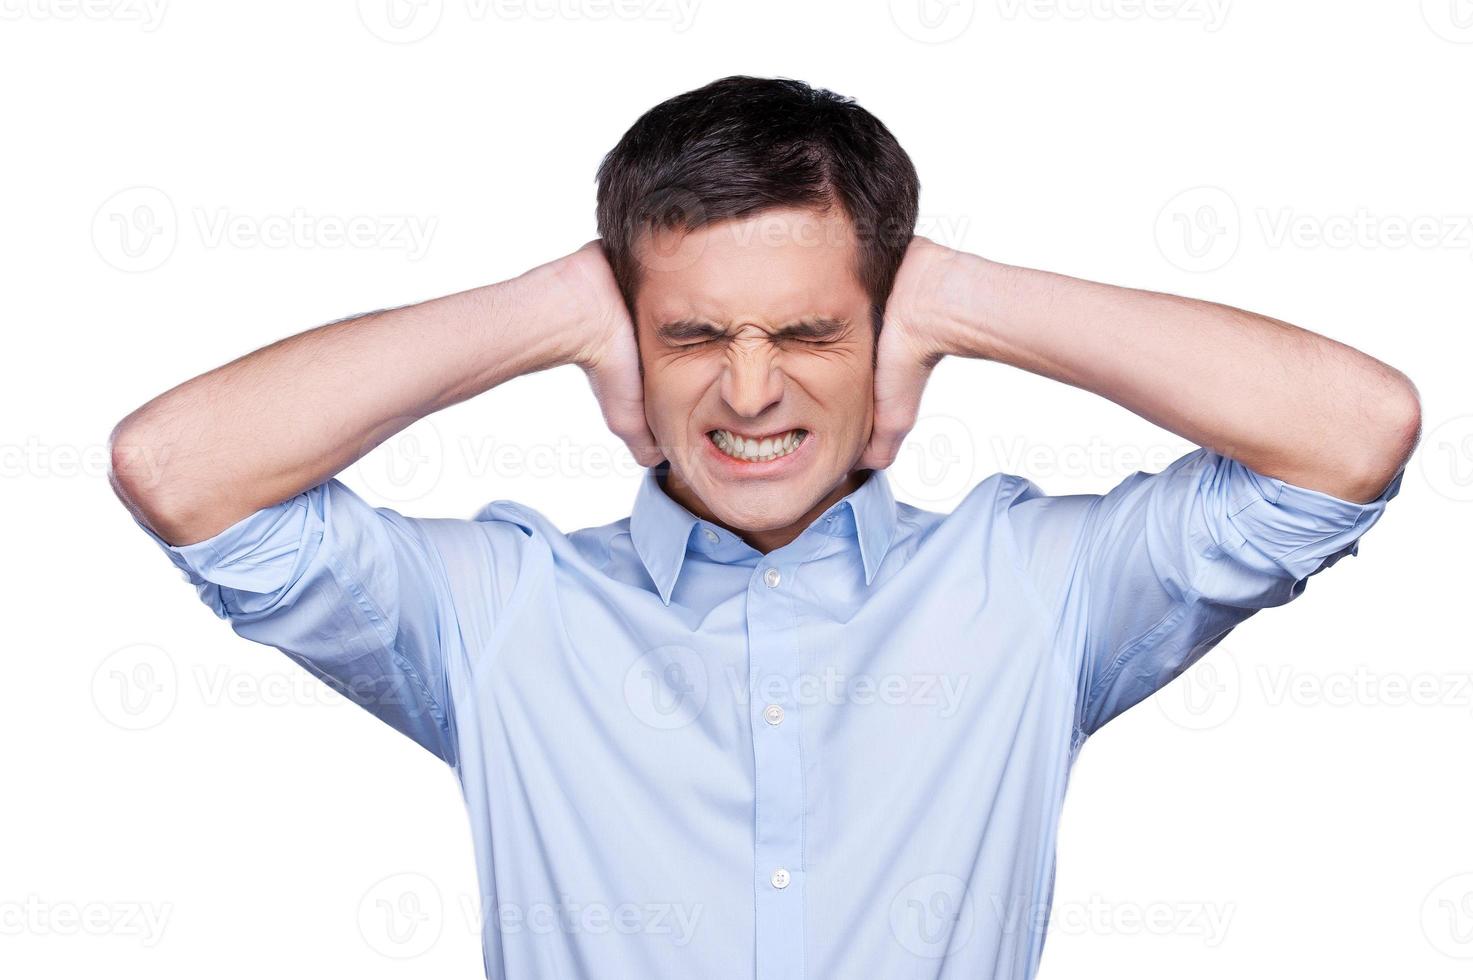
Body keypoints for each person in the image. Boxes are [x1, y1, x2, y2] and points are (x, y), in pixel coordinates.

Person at [107, 75, 1420, 980]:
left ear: (883, 337)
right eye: (690, 335)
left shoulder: (1029, 586)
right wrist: (550, 305)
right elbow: (178, 467)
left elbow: (1348, 433)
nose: (748, 390)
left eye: (806, 331)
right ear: (628, 340)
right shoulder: (499, 611)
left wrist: (958, 292)